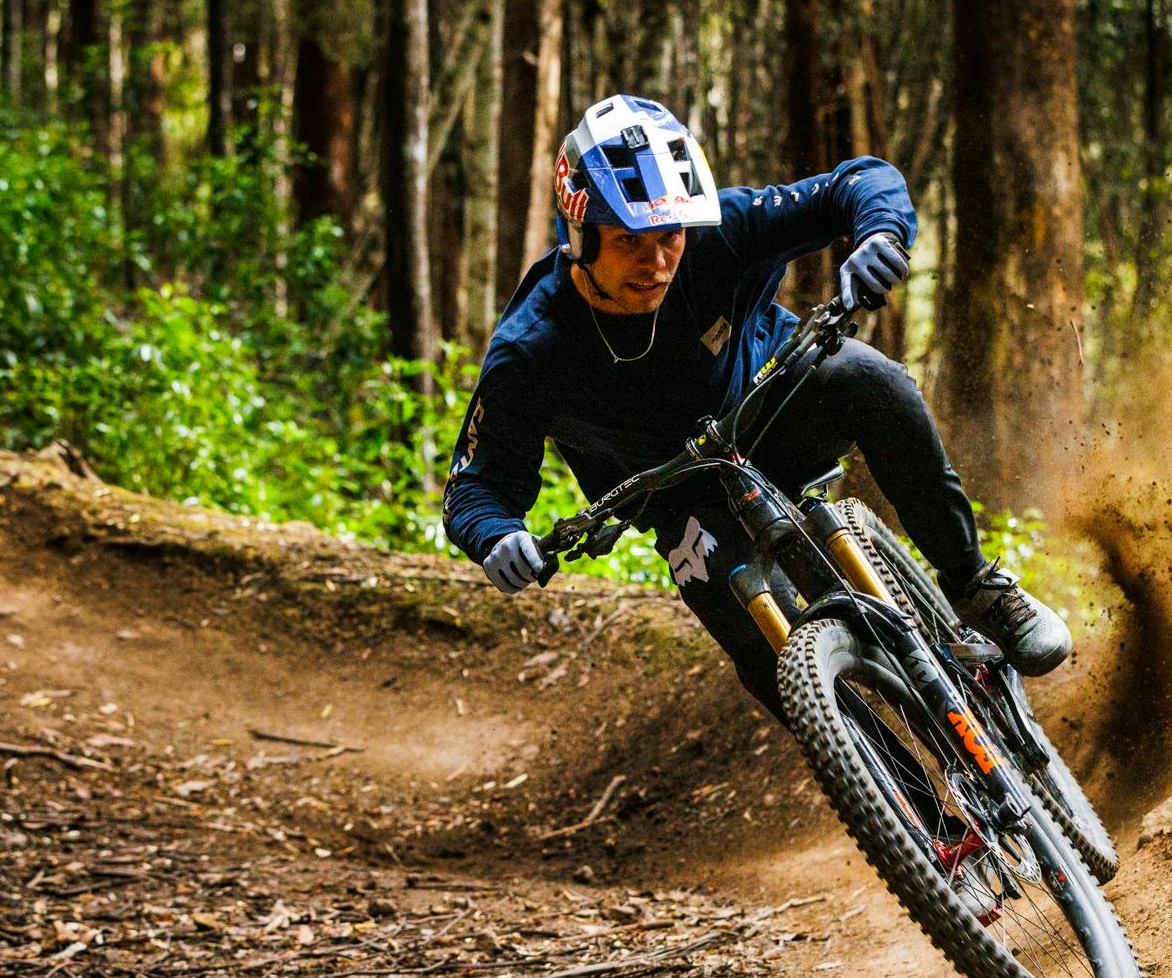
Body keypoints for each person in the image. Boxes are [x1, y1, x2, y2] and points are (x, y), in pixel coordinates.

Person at [443, 94, 1071, 725]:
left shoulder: (719, 233)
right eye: (630, 239)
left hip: (774, 408)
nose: (656, 263)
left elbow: (858, 182)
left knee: (869, 377)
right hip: (682, 496)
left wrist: (880, 234)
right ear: (580, 232)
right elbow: (475, 488)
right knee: (758, 644)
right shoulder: (531, 350)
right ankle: (883, 778)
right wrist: (497, 536)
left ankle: (975, 585)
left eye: (669, 236)